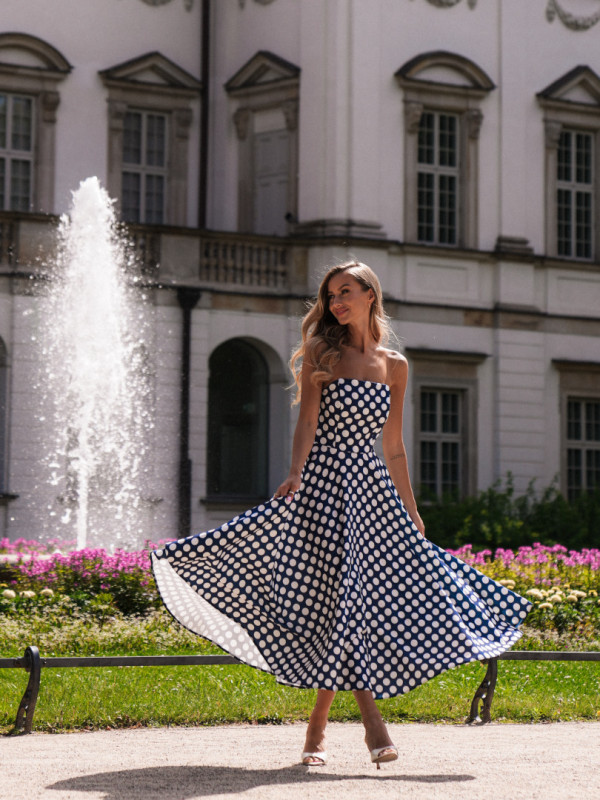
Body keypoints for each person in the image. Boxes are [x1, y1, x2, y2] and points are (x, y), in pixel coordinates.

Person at [151, 261, 532, 770]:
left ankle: (317, 728)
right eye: (330, 295)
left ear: (370, 295)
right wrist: (294, 472)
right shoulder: (320, 352)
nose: (336, 303)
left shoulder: (394, 364)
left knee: (353, 606)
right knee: (339, 603)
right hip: (325, 489)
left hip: (371, 494)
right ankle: (373, 725)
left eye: (345, 292)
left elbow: (393, 447)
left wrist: (411, 511)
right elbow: (307, 419)